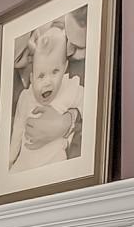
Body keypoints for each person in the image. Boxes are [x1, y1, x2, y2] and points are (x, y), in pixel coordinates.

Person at [9, 18, 86, 173]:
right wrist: (9, 162)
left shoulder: (69, 87)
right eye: (41, 75)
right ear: (32, 78)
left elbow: (91, 106)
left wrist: (69, 119)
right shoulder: (26, 97)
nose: (48, 82)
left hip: (55, 163)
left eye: (55, 71)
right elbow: (17, 131)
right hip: (25, 164)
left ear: (65, 68)